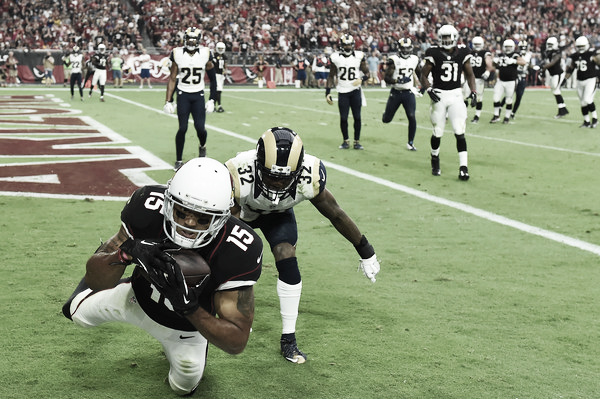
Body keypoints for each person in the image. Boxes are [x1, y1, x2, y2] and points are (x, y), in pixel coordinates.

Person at [62, 157, 263, 396]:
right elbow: (96, 278)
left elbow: (236, 341)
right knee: (75, 313)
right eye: (182, 212)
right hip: (134, 298)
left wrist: (189, 308)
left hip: (186, 329)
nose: (189, 223)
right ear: (168, 202)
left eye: (202, 218)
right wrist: (125, 254)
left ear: (222, 217)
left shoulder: (237, 249)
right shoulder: (147, 207)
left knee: (183, 386)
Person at [225, 127, 380, 364]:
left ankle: (289, 338)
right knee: (232, 259)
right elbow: (228, 225)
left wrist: (365, 250)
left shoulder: (310, 175)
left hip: (278, 215)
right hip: (242, 214)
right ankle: (227, 315)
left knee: (287, 257)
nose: (277, 184)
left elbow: (336, 214)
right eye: (271, 176)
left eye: (284, 178)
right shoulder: (238, 172)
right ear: (257, 165)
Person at [419, 24, 477, 181]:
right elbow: (423, 75)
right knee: (438, 132)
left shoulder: (463, 52)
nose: (445, 40)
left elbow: (470, 74)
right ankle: (435, 158)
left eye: (448, 37)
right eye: (443, 37)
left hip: (456, 95)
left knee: (459, 131)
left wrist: (473, 91)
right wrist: (429, 89)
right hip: (439, 95)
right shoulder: (434, 53)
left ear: (454, 38)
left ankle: (463, 167)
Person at [163, 27, 218, 171]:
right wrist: (168, 100)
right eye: (189, 39)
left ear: (198, 40)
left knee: (200, 128)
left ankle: (202, 146)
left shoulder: (205, 53)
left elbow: (213, 78)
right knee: (182, 128)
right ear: (185, 39)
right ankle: (179, 159)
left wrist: (212, 99)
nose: (191, 42)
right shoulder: (177, 53)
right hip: (183, 94)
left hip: (198, 94)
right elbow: (173, 78)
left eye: (194, 40)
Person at [326, 34, 370, 150]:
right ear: (341, 45)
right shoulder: (336, 57)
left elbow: (367, 74)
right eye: (345, 45)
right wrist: (327, 92)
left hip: (355, 91)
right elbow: (331, 75)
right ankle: (346, 140)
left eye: (349, 45)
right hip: (342, 91)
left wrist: (361, 79)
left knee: (357, 117)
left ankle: (357, 141)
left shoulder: (359, 56)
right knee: (344, 118)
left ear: (353, 45)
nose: (347, 47)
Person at [382, 37, 422, 151]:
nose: (405, 51)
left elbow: (419, 73)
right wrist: (397, 81)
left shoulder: (414, 59)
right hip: (396, 92)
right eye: (403, 48)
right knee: (387, 119)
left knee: (412, 116)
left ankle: (410, 142)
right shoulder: (394, 60)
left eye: (407, 48)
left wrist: (423, 85)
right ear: (399, 48)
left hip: (408, 92)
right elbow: (386, 78)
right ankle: (385, 114)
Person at [564, 36, 600, 128]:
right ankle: (586, 121)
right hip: (580, 81)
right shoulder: (575, 55)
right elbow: (571, 68)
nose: (580, 48)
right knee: (583, 102)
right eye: (579, 46)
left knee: (588, 99)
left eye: (582, 46)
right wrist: (565, 79)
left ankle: (595, 119)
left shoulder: (592, 54)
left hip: (590, 80)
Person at [489, 39, 526, 124]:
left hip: (511, 81)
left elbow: (523, 62)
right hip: (501, 80)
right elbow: (495, 65)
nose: (508, 48)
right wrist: (495, 62)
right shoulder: (501, 55)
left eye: (509, 47)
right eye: (506, 47)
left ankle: (507, 117)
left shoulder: (515, 55)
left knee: (509, 100)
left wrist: (514, 61)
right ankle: (496, 115)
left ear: (513, 47)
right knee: (496, 98)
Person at [539, 36, 569, 118]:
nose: (549, 46)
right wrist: (542, 71)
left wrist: (543, 67)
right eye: (548, 44)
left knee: (556, 91)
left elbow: (552, 62)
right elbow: (546, 62)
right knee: (556, 91)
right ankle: (563, 109)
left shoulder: (557, 52)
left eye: (551, 44)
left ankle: (562, 111)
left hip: (558, 74)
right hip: (553, 74)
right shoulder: (547, 52)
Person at [468, 36, 494, 124]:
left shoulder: (485, 53)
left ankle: (477, 116)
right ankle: (463, 114)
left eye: (478, 44)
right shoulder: (469, 53)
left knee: (478, 98)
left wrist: (487, 71)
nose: (477, 46)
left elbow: (489, 63)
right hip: (469, 78)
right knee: (464, 97)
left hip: (479, 78)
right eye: (476, 44)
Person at [510, 40, 532, 120]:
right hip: (514, 76)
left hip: (522, 77)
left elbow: (528, 65)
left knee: (519, 96)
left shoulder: (528, 55)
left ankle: (513, 113)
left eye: (524, 47)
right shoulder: (515, 54)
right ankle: (500, 109)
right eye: (521, 47)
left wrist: (533, 68)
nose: (523, 48)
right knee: (509, 95)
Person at [211, 41, 227, 112]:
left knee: (218, 91)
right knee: (217, 90)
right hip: (216, 74)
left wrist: (225, 70)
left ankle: (214, 105)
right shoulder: (214, 56)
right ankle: (218, 105)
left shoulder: (224, 56)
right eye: (219, 48)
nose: (220, 50)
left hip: (221, 75)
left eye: (222, 48)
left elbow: (225, 65)